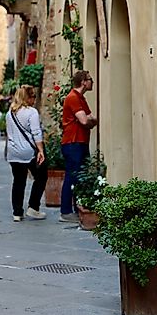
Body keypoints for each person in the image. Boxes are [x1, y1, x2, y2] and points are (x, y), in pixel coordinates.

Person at [59, 70, 98, 223]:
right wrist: (89, 121)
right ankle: (66, 211)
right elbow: (85, 120)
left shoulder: (81, 98)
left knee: (79, 176)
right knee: (72, 175)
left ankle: (75, 208)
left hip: (80, 141)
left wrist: (90, 120)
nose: (92, 82)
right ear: (83, 82)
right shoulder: (73, 97)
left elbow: (92, 118)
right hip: (72, 142)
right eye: (90, 79)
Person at [5, 85, 47, 222]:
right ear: (27, 98)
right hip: (28, 152)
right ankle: (33, 207)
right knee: (41, 176)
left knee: (18, 181)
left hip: (13, 152)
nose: (34, 99)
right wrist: (41, 150)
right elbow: (36, 132)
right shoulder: (31, 112)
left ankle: (17, 212)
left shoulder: (10, 113)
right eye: (33, 96)